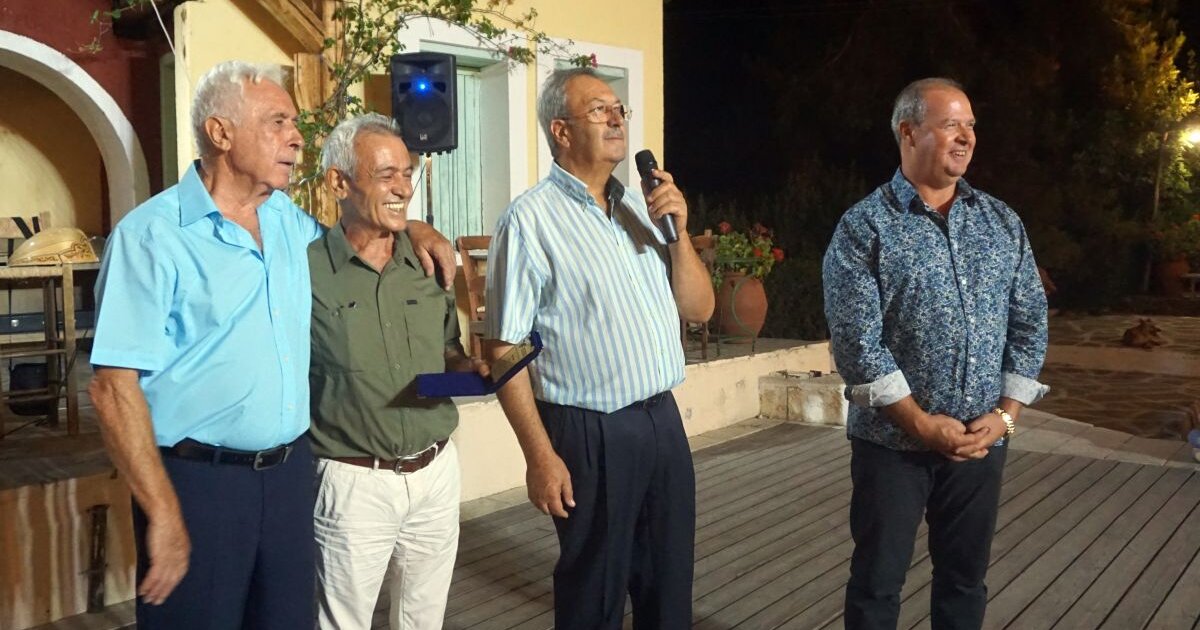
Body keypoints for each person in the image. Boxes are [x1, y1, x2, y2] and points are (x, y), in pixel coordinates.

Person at [88, 61, 455, 629]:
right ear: (220, 132)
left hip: (289, 476)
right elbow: (113, 389)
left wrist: (413, 226)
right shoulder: (151, 236)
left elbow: (359, 235)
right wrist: (161, 510)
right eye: (277, 121)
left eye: (294, 122)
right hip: (200, 482)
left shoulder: (288, 222)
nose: (296, 137)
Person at [484, 67, 714, 630]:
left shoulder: (642, 207)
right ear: (561, 131)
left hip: (662, 424)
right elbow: (505, 351)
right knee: (594, 595)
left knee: (668, 591)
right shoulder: (530, 221)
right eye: (600, 110)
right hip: (590, 434)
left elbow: (700, 309)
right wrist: (539, 456)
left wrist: (679, 233)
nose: (617, 119)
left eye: (619, 110)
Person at [822, 77, 1049, 630]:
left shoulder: (1001, 222)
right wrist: (921, 424)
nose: (966, 136)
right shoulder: (864, 227)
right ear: (908, 132)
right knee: (877, 584)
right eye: (951, 124)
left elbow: (1030, 321)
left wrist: (1005, 418)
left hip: (979, 442)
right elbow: (856, 343)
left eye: (970, 125)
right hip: (891, 447)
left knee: (965, 581)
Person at [307, 113, 487, 629]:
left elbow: (447, 348)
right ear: (339, 183)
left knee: (423, 621)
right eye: (386, 175)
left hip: (436, 472)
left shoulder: (430, 263)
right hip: (353, 483)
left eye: (407, 174)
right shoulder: (305, 271)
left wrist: (470, 368)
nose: (404, 189)